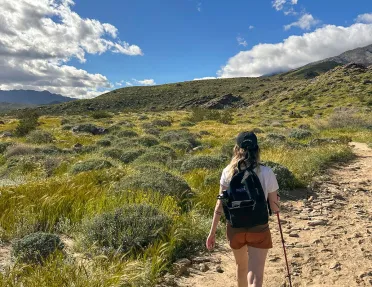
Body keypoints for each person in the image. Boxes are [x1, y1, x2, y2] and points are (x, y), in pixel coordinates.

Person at [206, 131, 280, 287]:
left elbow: (220, 203)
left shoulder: (227, 172)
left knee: (241, 268)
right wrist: (275, 202)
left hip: (235, 227)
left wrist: (212, 233)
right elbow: (274, 207)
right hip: (258, 226)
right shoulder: (267, 172)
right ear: (257, 149)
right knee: (256, 274)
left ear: (236, 149)